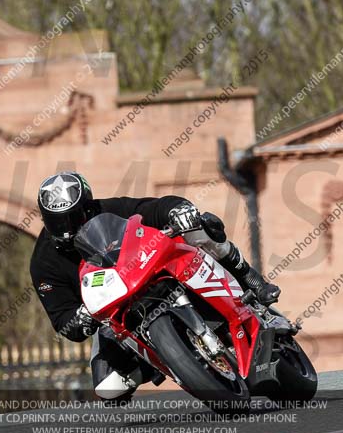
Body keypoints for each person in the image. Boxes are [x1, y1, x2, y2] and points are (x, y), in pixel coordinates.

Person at [29, 171, 280, 400]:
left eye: (74, 218)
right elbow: (63, 320)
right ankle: (163, 359)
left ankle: (249, 278)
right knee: (108, 387)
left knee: (199, 227)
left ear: (88, 207)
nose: (67, 230)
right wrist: (80, 320)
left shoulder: (108, 210)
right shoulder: (43, 264)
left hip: (152, 273)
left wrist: (178, 209)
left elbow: (152, 208)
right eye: (58, 222)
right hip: (115, 316)